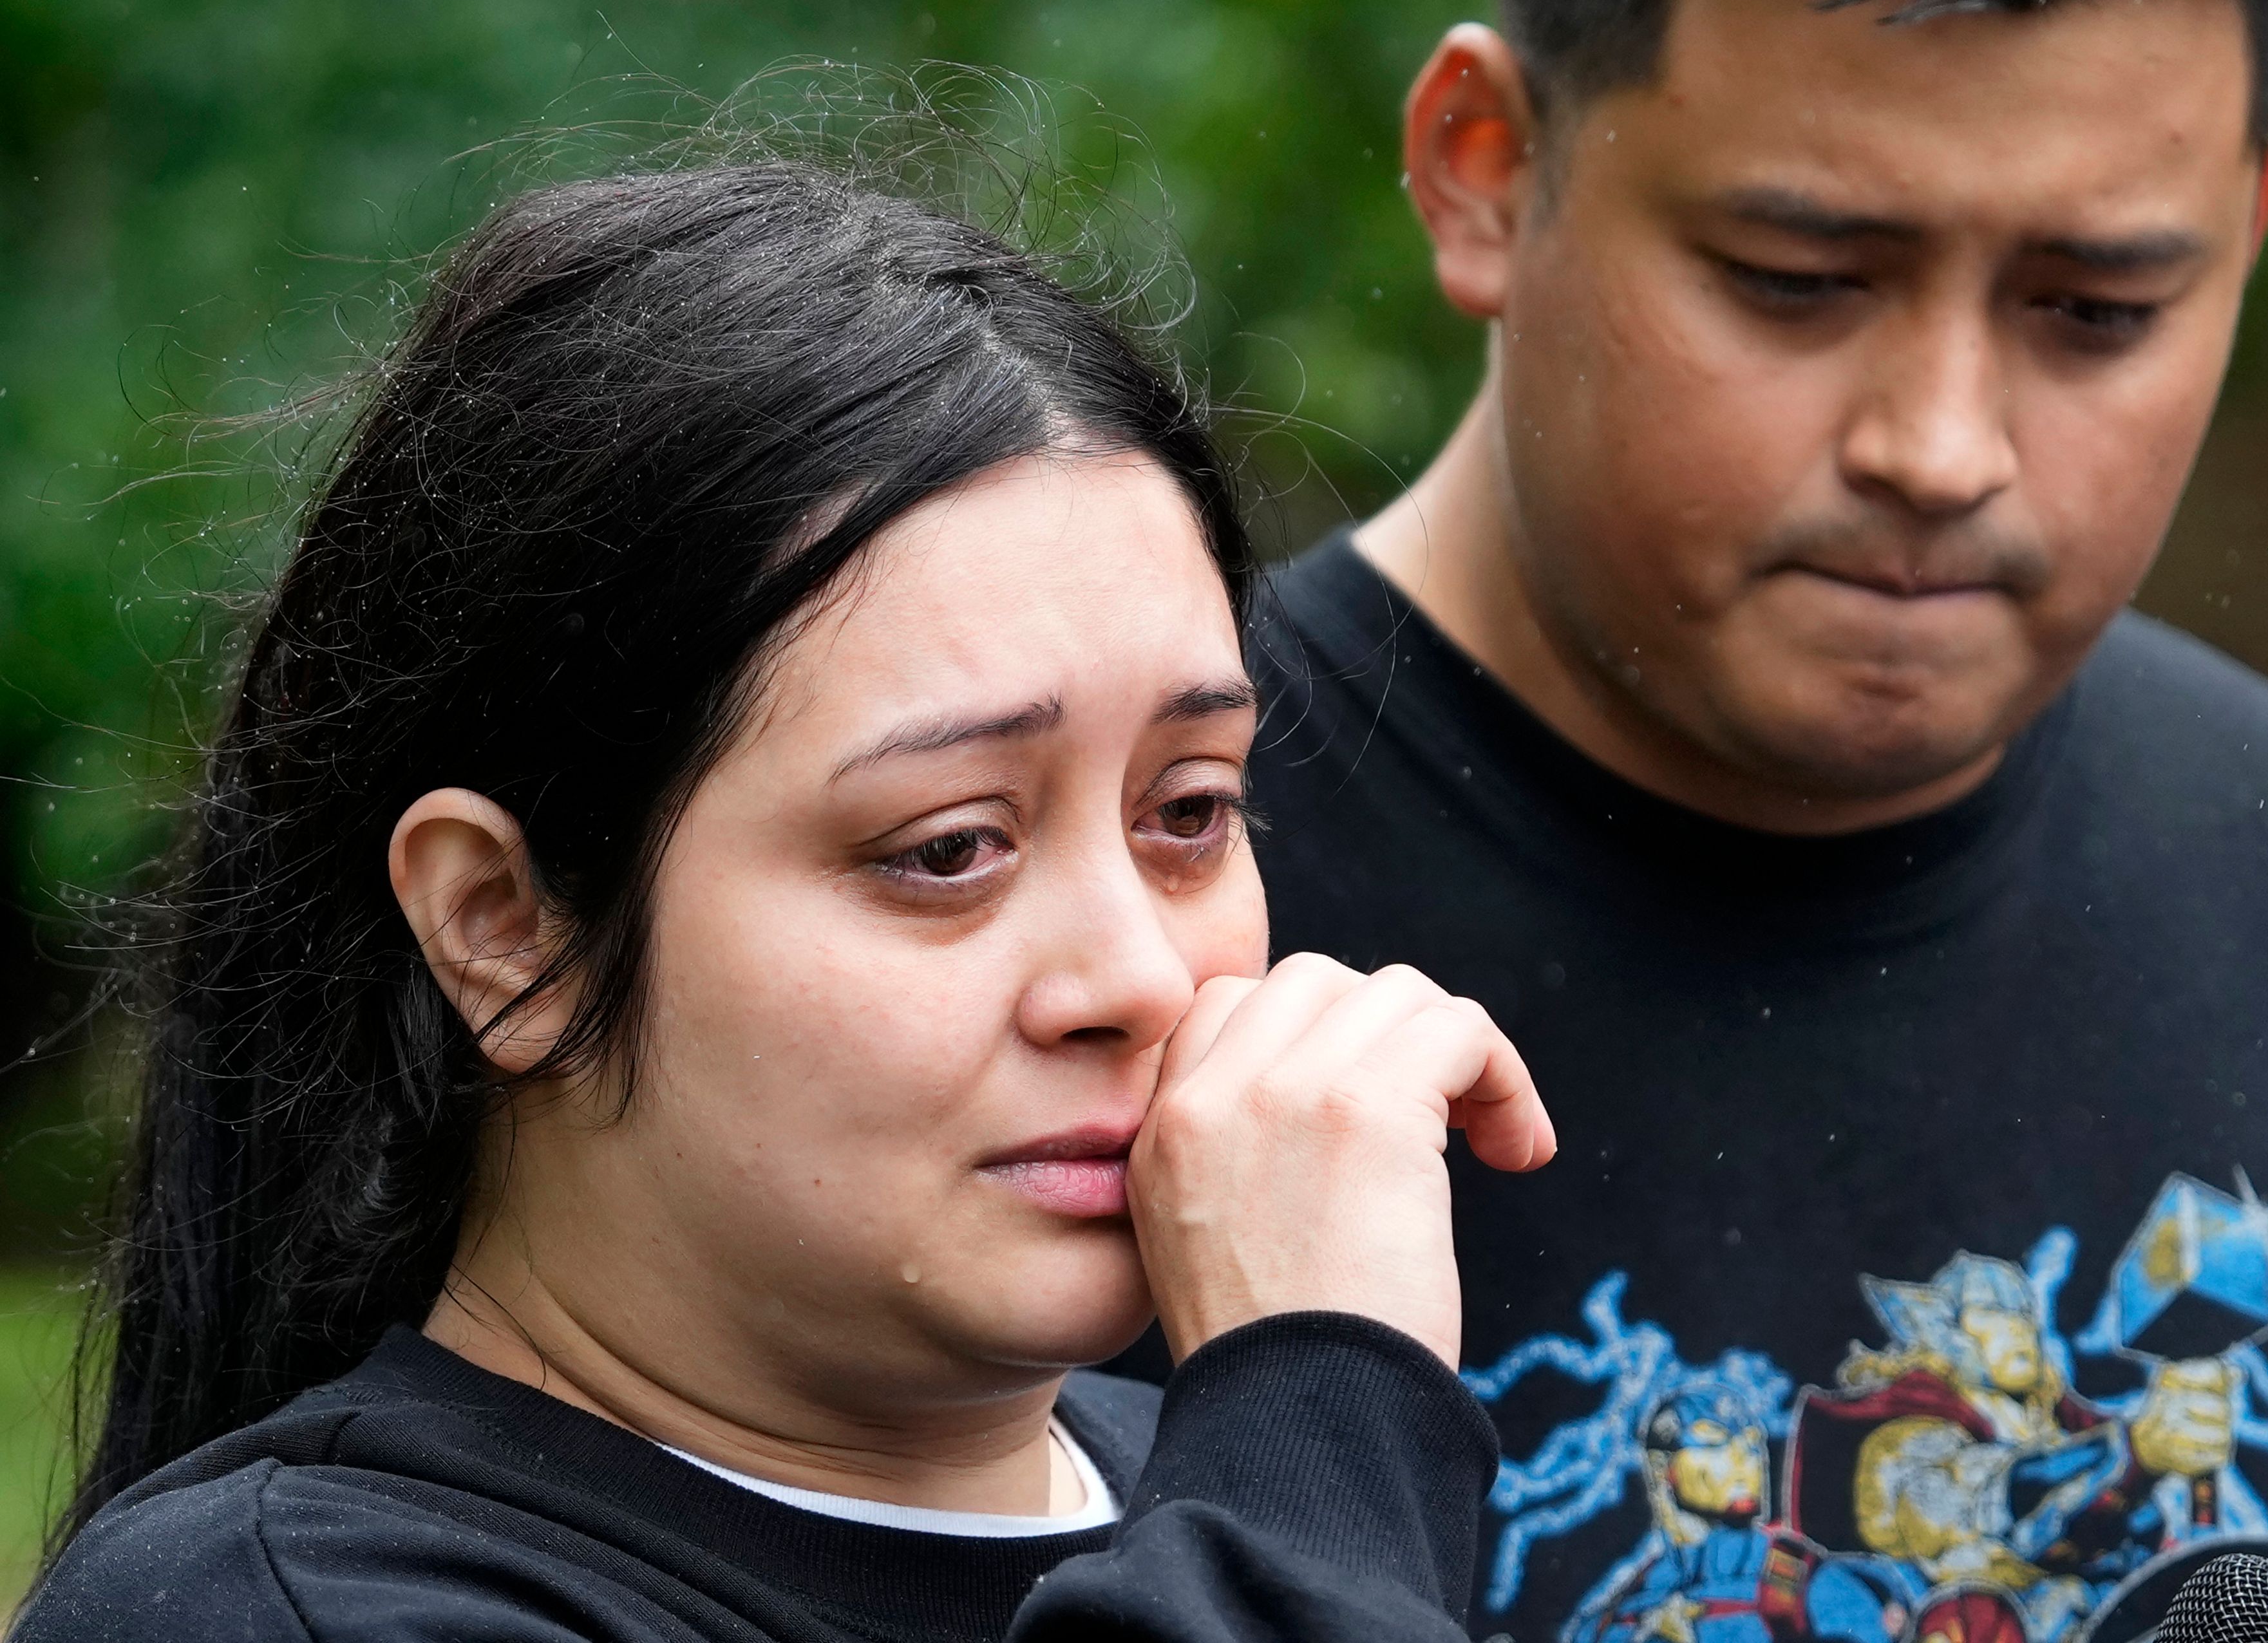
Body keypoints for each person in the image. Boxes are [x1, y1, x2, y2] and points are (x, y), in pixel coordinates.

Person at [13, 160, 1559, 1643]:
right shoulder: (283, 1602)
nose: (1140, 976)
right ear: (503, 924)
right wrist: (1323, 1413)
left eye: (1189, 811)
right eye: (951, 845)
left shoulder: (1250, 1487)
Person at [1227, 0, 2268, 1639]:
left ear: (2252, 225)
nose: (1941, 447)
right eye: (1796, 281)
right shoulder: (1075, 977)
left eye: (2098, 311)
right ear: (1486, 170)